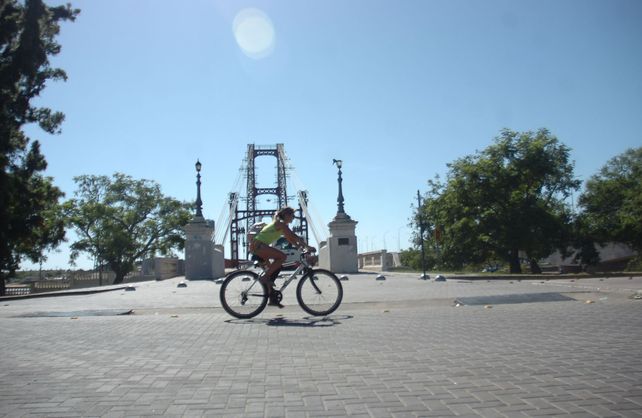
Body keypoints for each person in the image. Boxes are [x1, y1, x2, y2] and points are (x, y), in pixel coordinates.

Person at [250, 207, 315, 307]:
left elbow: (290, 238)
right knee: (282, 257)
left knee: (274, 270)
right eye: (292, 216)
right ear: (286, 215)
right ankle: (264, 278)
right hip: (259, 246)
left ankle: (272, 299)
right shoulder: (280, 223)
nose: (293, 218)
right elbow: (293, 235)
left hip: (258, 246)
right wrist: (307, 246)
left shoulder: (280, 225)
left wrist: (299, 247)